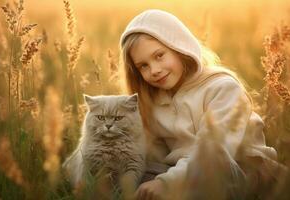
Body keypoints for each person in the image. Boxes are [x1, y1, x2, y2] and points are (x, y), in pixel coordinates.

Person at [119, 9, 286, 200]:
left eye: (159, 56)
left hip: (241, 171)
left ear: (178, 47)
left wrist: (166, 183)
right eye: (143, 66)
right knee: (131, 175)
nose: (155, 70)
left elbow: (215, 153)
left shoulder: (223, 89)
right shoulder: (153, 102)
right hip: (185, 173)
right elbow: (155, 157)